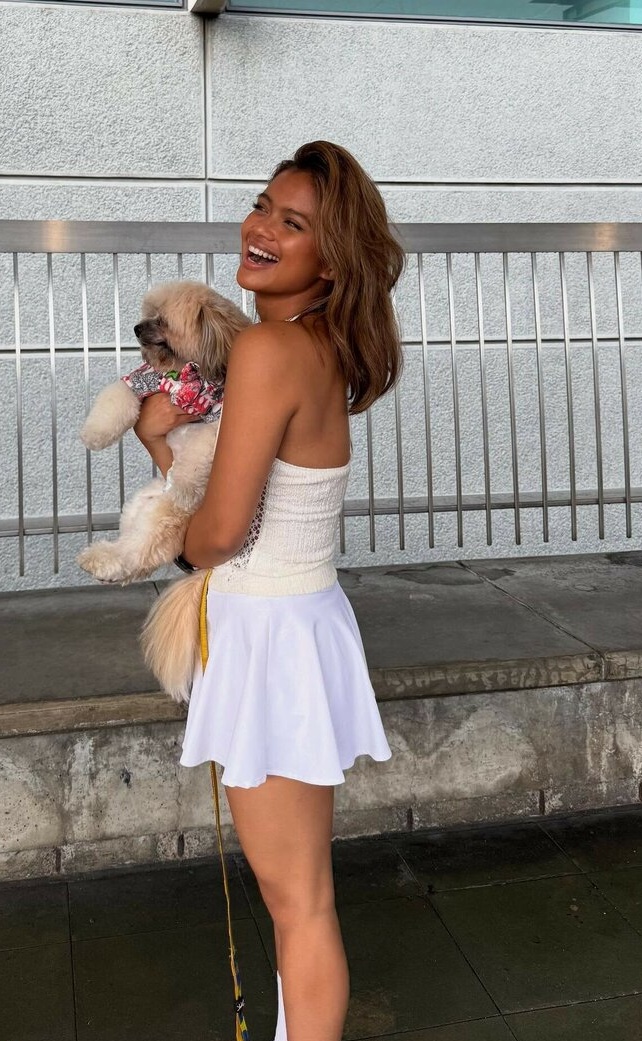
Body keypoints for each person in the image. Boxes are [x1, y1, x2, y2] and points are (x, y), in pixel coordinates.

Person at [134, 140, 405, 1041]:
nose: (260, 229)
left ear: (331, 258)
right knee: (303, 896)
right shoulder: (316, 347)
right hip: (297, 619)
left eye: (293, 224)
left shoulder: (268, 349)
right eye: (261, 206)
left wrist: (171, 535)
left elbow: (217, 531)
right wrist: (160, 440)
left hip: (270, 630)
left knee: (298, 902)